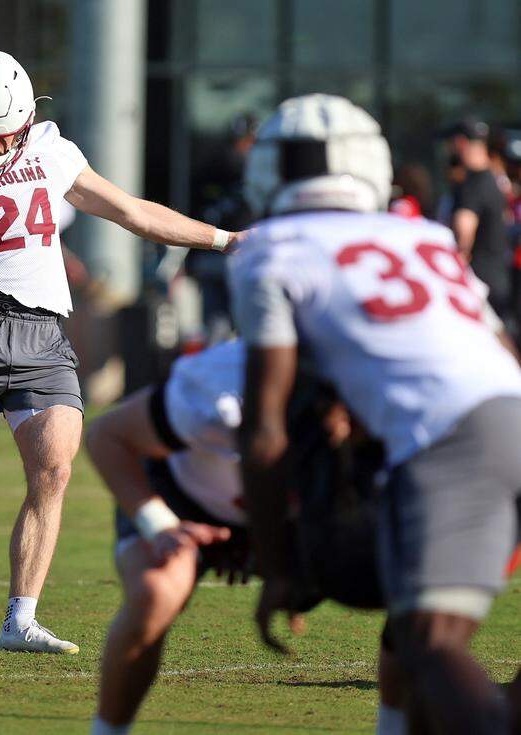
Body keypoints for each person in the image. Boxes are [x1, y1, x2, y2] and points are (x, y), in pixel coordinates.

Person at [0, 49, 239, 654]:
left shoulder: (50, 150)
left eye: (3, 137)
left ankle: (21, 617)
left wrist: (224, 240)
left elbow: (132, 212)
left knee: (55, 469)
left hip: (45, 336)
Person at [230, 94, 521, 734]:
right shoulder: (421, 234)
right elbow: (500, 348)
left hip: (449, 436)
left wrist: (276, 566)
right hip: (510, 409)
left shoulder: (271, 250)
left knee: (428, 638)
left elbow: (265, 429)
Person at [86, 339, 396, 734]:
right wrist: (160, 526)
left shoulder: (396, 391)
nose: (345, 427)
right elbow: (107, 436)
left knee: (415, 587)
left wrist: (286, 553)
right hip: (185, 497)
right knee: (156, 590)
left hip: (294, 512)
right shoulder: (222, 388)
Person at [443, 117, 512, 317]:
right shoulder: (492, 179)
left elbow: (463, 229)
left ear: (460, 142)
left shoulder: (472, 183)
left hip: (479, 280)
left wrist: (456, 268)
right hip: (497, 276)